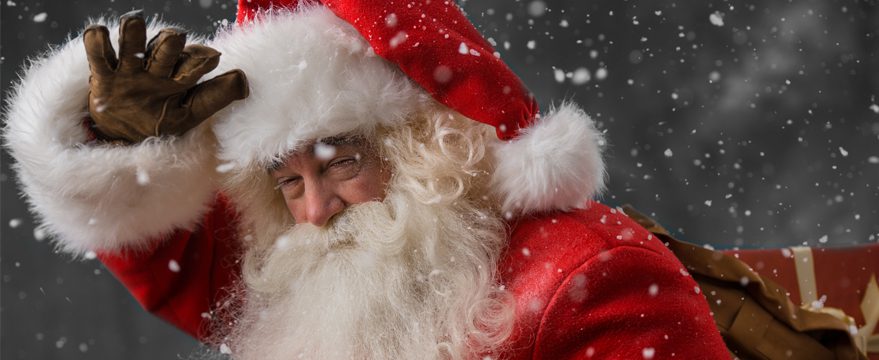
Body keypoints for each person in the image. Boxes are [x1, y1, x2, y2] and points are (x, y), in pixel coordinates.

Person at [3, 0, 730, 358]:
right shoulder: (322, 260)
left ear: (423, 146)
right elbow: (174, 259)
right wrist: (119, 150)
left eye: (339, 162)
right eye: (287, 181)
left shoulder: (593, 273)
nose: (316, 209)